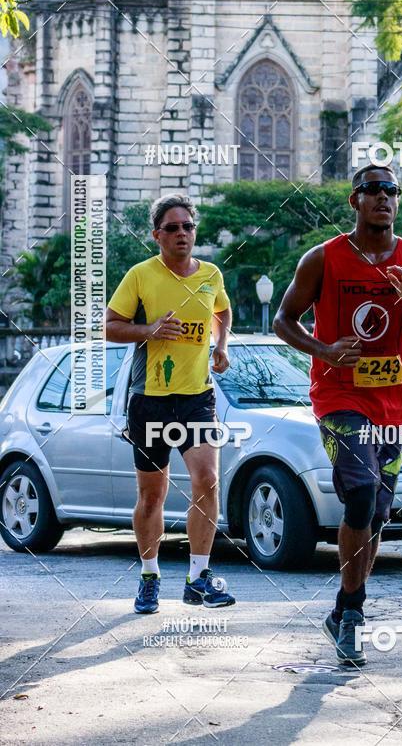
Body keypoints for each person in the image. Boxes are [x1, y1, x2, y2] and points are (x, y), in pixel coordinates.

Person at [273, 164, 402, 665]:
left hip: (391, 405)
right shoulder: (323, 259)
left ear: (398, 200)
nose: (383, 197)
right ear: (355, 200)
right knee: (361, 490)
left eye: (391, 190)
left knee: (375, 512)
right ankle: (354, 612)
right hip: (338, 398)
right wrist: (325, 350)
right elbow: (282, 320)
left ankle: (344, 608)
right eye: (373, 190)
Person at [105, 193, 235, 613]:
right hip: (151, 401)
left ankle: (198, 578)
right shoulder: (141, 275)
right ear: (157, 234)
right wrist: (149, 330)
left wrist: (221, 345)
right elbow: (110, 326)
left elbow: (222, 311)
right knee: (151, 497)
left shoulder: (211, 274)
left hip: (197, 396)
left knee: (208, 480)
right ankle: (149, 576)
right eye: (173, 227)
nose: (182, 233)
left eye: (188, 227)